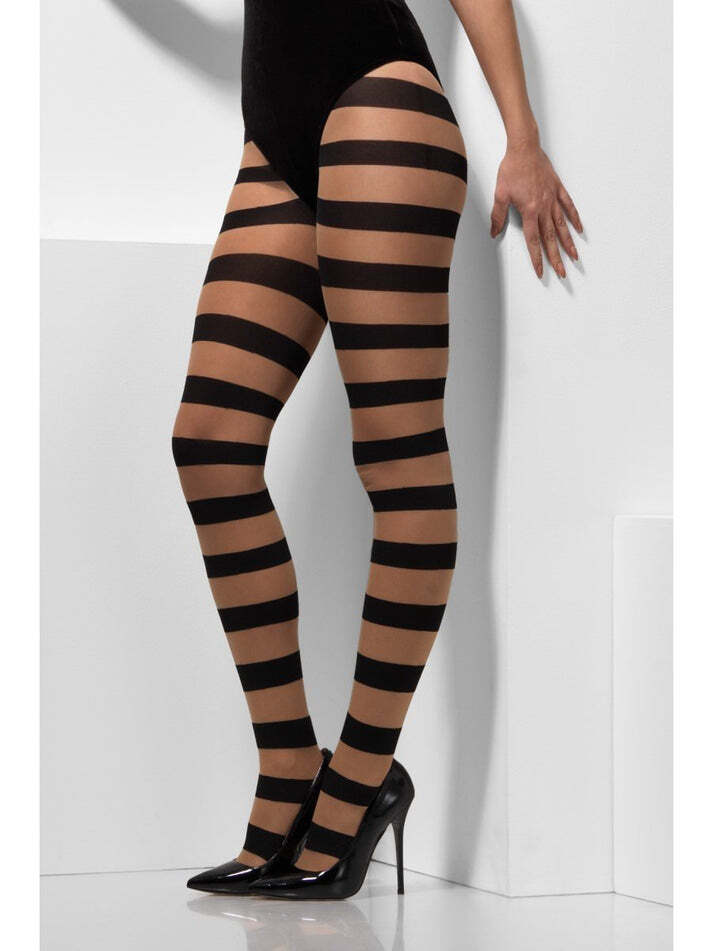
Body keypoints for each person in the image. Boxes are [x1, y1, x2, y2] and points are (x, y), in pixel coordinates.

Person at [173, 0, 581, 900]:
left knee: (398, 457)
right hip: (273, 132)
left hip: (380, 98)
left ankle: (361, 777)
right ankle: (290, 769)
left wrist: (522, 137)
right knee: (209, 441)